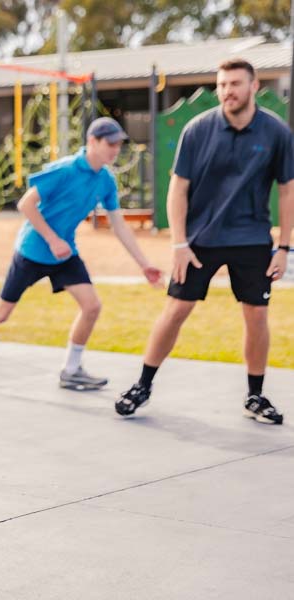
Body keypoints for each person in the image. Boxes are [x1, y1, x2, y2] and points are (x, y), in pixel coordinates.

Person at [117, 59, 293, 423]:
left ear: (253, 86)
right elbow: (177, 189)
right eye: (222, 84)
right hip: (200, 240)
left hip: (251, 239)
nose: (227, 91)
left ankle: (255, 397)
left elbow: (288, 191)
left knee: (257, 316)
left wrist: (284, 247)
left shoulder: (276, 132)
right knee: (176, 311)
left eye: (235, 84)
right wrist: (179, 243)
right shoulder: (197, 129)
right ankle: (142, 386)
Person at [0, 117, 162, 388]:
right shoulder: (65, 170)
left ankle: (71, 370)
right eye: (110, 143)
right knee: (0, 313)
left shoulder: (106, 180)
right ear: (92, 141)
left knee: (92, 306)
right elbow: (26, 204)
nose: (115, 149)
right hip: (33, 250)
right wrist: (52, 240)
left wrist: (144, 264)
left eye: (118, 144)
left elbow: (119, 225)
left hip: (64, 254)